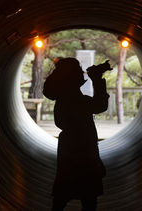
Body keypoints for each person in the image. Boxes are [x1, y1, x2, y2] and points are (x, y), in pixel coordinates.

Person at [43, 58, 111, 211]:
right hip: (83, 150)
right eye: (79, 71)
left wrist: (96, 78)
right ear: (72, 78)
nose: (82, 73)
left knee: (62, 195)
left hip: (68, 148)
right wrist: (97, 79)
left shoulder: (64, 98)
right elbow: (99, 105)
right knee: (88, 197)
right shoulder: (75, 99)